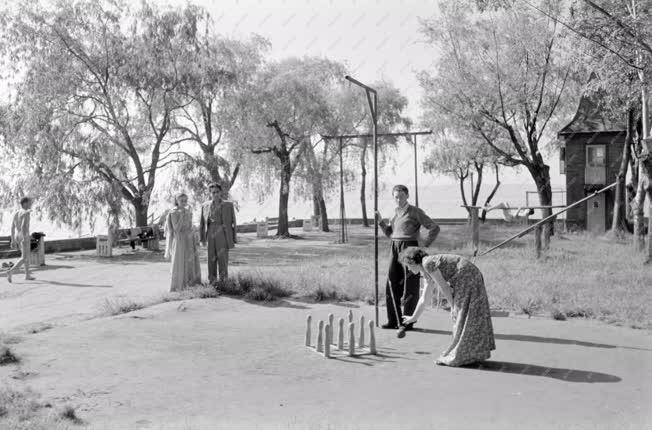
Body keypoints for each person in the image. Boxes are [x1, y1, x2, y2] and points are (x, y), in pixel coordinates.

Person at [399, 247, 496, 367]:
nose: (407, 268)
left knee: (462, 314)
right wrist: (413, 317)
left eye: (407, 265)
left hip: (467, 277)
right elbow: (424, 298)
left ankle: (463, 354)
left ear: (412, 261)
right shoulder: (426, 271)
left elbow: (444, 287)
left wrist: (453, 306)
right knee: (466, 314)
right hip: (467, 276)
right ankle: (471, 353)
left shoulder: (427, 263)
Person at [375, 185, 440, 335]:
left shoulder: (415, 211)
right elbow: (391, 234)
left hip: (410, 248)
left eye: (402, 196)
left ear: (407, 196)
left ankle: (407, 321)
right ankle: (394, 320)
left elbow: (434, 227)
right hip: (394, 247)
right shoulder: (394, 214)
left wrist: (425, 244)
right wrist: (380, 222)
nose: (399, 199)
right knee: (392, 282)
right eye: (396, 197)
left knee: (410, 286)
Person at [199, 183, 237, 284]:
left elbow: (233, 222)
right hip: (210, 231)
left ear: (221, 192)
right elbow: (202, 223)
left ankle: (224, 281)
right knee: (211, 257)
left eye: (217, 192)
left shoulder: (228, 204)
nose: (215, 194)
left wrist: (233, 238)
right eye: (213, 192)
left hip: (222, 231)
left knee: (223, 257)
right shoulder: (205, 205)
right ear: (210, 193)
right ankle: (212, 281)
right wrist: (202, 239)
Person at [164, 193, 201, 292]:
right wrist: (181, 215)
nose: (184, 202)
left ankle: (191, 283)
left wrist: (195, 235)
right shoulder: (173, 212)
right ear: (177, 201)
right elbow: (176, 228)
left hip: (189, 239)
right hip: (179, 239)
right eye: (182, 200)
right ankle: (179, 285)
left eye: (185, 200)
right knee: (180, 261)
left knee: (190, 261)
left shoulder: (188, 211)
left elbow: (190, 226)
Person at [7, 197, 35, 283]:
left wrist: (13, 240)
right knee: (24, 257)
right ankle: (10, 271)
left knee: (25, 256)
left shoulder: (16, 213)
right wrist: (25, 236)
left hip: (17, 235)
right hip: (24, 235)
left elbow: (12, 227)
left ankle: (27, 275)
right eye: (30, 203)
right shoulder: (26, 213)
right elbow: (23, 226)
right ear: (25, 203)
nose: (31, 204)